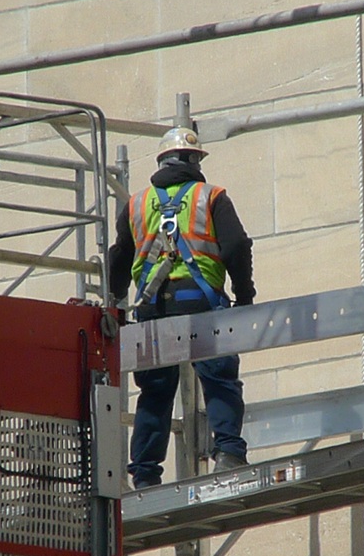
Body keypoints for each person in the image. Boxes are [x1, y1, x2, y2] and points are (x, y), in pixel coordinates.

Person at [107, 127, 257, 487]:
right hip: (200, 303)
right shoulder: (212, 196)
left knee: (155, 392)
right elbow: (236, 246)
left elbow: (118, 258)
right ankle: (229, 453)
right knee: (219, 380)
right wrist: (245, 295)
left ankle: (144, 475)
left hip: (152, 309)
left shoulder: (136, 204)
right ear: (194, 160)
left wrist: (116, 302)